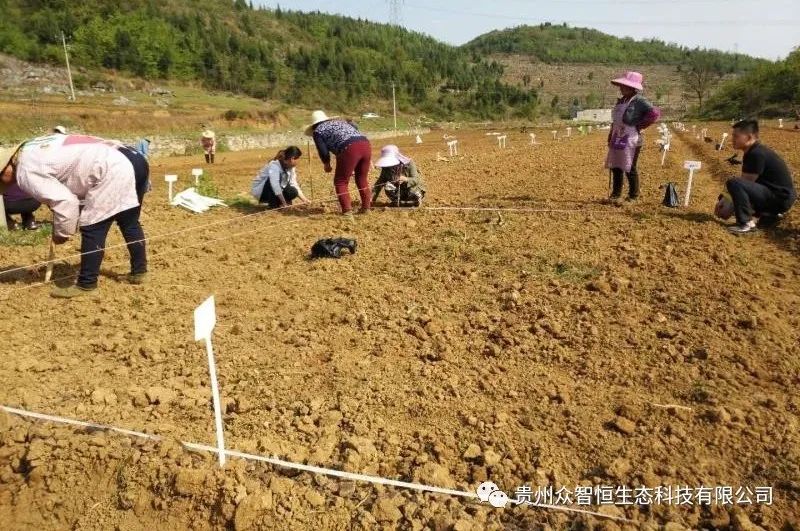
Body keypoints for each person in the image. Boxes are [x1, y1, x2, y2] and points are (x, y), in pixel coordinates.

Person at [0, 133, 150, 298]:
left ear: (6, 167)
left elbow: (65, 202)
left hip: (108, 167)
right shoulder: (30, 147)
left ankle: (87, 284)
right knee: (129, 221)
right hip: (125, 159)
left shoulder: (25, 170)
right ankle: (140, 272)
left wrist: (61, 233)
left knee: (92, 226)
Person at [725, 119, 796, 234]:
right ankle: (768, 216)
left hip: (779, 198)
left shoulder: (756, 154)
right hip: (779, 196)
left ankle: (747, 223)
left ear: (749, 137)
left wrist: (727, 203)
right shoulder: (753, 151)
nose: (732, 139)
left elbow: (744, 183)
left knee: (734, 183)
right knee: (737, 186)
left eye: (736, 136)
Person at [604, 71, 661, 202]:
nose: (620, 88)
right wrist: (610, 135)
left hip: (631, 138)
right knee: (616, 166)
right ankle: (616, 195)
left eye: (623, 86)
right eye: (621, 85)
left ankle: (633, 195)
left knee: (630, 167)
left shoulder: (639, 100)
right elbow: (616, 121)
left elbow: (654, 113)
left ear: (631, 87)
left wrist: (640, 125)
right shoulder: (621, 101)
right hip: (617, 136)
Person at [305, 110, 372, 215]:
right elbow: (355, 131)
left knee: (340, 181)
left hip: (349, 148)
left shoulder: (318, 131)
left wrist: (326, 163)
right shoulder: (339, 122)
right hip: (365, 144)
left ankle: (347, 211)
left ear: (314, 125)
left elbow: (322, 150)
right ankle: (366, 208)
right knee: (361, 178)